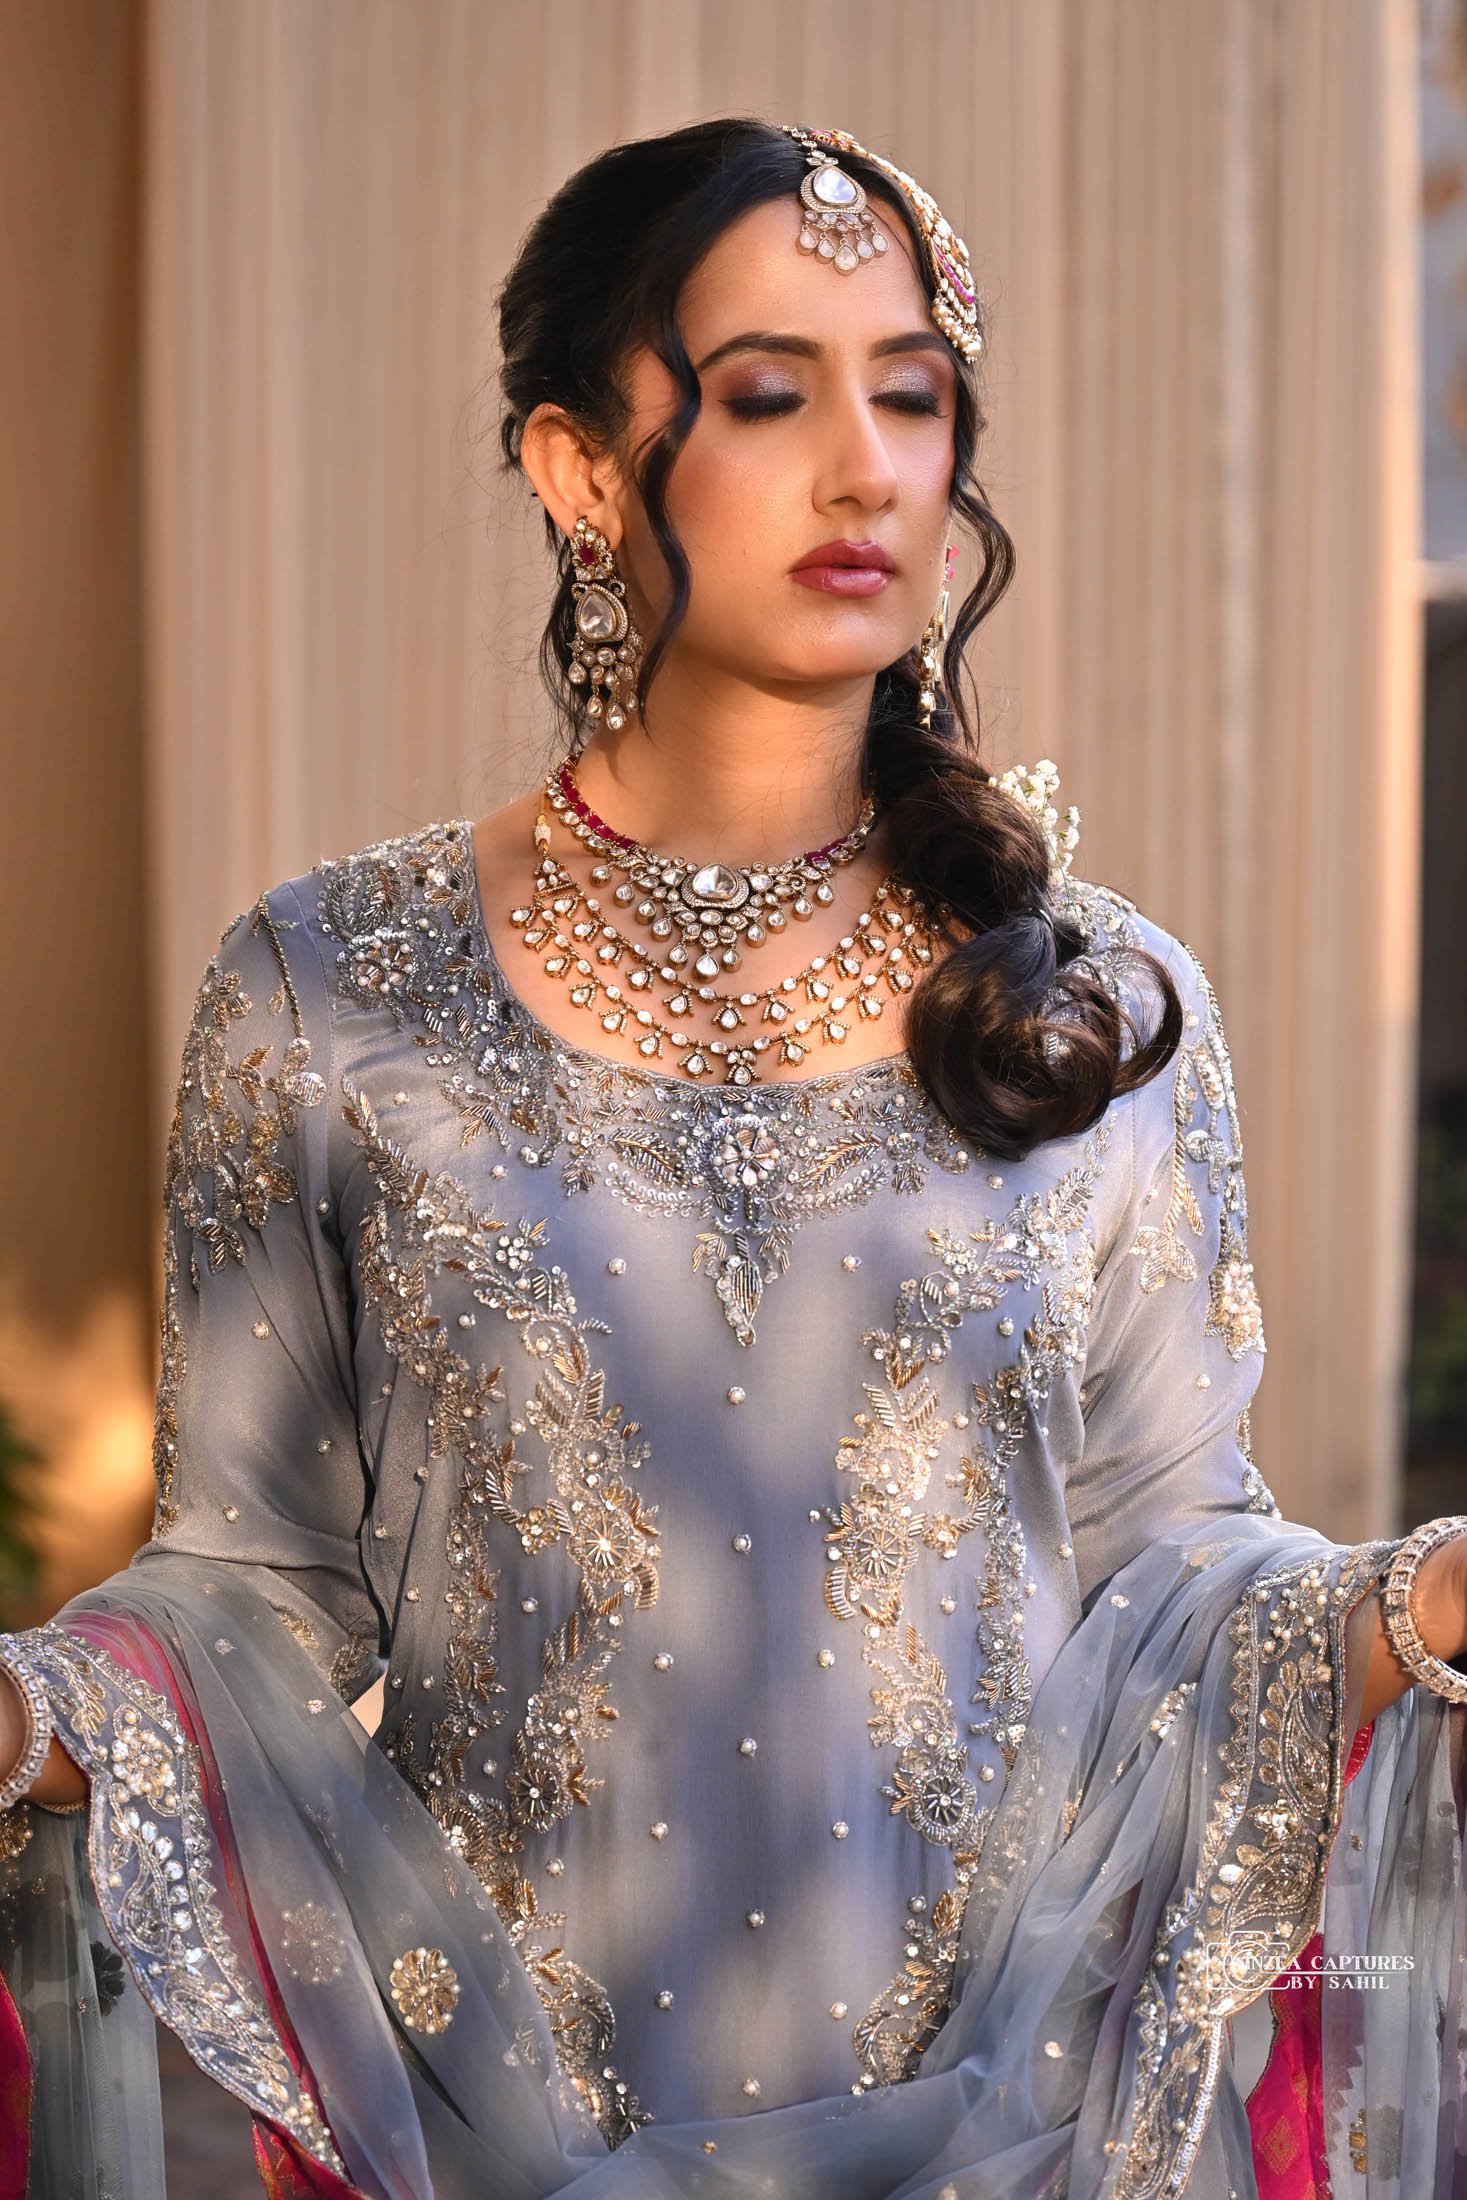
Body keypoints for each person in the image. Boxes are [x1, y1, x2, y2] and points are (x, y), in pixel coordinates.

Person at [0, 116, 1461, 2200]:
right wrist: (38, 1719)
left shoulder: (1094, 1004)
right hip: (481, 2133)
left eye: (913, 395)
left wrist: (1420, 1602)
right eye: (769, 395)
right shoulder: (327, 987)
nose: (868, 467)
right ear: (575, 469)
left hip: (1007, 2134)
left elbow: (1179, 1588)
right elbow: (252, 1593)